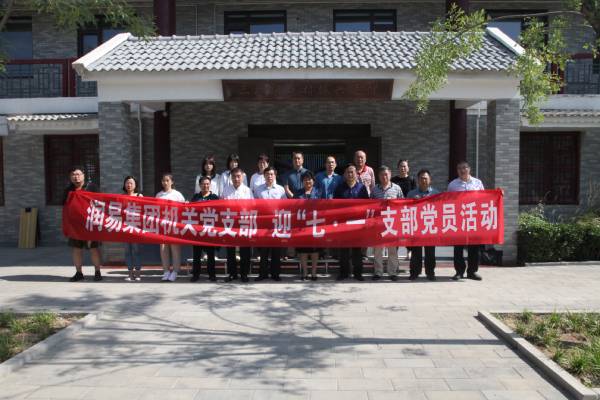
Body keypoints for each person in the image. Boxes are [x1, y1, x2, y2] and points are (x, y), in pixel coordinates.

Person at [63, 166, 103, 282]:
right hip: (75, 226)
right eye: (73, 175)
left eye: (78, 174)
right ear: (70, 177)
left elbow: (100, 204)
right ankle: (79, 272)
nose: (76, 177)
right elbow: (65, 207)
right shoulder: (68, 190)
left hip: (90, 224)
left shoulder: (92, 187)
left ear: (83, 175)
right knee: (76, 249)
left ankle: (97, 272)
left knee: (93, 248)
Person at [448, 161, 484, 281]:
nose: (462, 170)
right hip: (459, 219)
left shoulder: (478, 183)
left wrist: (498, 194)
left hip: (474, 218)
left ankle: (472, 271)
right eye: (459, 168)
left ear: (469, 169)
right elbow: (447, 202)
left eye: (464, 168)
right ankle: (459, 271)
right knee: (458, 247)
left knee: (474, 247)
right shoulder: (452, 185)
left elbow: (485, 198)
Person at [334, 164, 369, 281]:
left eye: (352, 172)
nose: (350, 174)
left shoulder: (362, 188)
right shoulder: (339, 188)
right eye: (348, 172)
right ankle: (344, 273)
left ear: (356, 174)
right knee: (343, 250)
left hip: (357, 224)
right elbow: (334, 206)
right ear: (344, 174)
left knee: (357, 251)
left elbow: (367, 205)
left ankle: (358, 273)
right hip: (343, 224)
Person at [370, 166, 403, 281]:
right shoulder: (374, 190)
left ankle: (392, 272)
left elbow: (402, 204)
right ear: (378, 176)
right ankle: (378, 272)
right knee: (377, 250)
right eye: (382, 175)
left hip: (392, 223)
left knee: (392, 250)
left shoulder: (397, 188)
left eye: (386, 174)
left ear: (390, 175)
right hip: (378, 223)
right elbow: (370, 206)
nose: (384, 177)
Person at [221, 167, 253, 282]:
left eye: (238, 176)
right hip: (230, 223)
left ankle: (244, 274)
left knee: (245, 249)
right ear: (231, 178)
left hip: (243, 223)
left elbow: (252, 206)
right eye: (234, 176)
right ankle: (232, 273)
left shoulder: (247, 191)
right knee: (230, 250)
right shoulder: (226, 190)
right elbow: (222, 206)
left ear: (242, 177)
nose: (236, 179)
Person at [407, 169, 440, 281]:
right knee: (416, 251)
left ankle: (430, 272)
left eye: (426, 178)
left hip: (430, 226)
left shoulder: (436, 193)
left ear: (430, 180)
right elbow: (406, 209)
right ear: (418, 180)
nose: (423, 180)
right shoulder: (411, 194)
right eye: (421, 178)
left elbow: (440, 210)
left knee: (430, 251)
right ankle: (414, 272)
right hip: (416, 225)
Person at [254, 166, 286, 281]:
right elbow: (254, 205)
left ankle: (275, 274)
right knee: (263, 250)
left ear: (275, 175)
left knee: (276, 250)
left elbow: (285, 205)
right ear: (264, 176)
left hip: (276, 223)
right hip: (263, 223)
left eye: (272, 174)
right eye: (267, 174)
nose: (270, 176)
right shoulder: (258, 189)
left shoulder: (281, 189)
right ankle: (263, 274)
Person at [156, 173, 185, 282]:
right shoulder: (159, 195)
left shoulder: (177, 195)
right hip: (163, 225)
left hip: (174, 224)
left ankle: (175, 271)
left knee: (175, 247)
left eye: (167, 180)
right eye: (163, 180)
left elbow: (184, 208)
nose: (165, 182)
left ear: (172, 182)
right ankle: (166, 271)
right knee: (163, 248)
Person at [190, 176, 219, 282]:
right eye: (203, 184)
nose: (205, 186)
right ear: (199, 185)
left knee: (211, 254)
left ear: (210, 185)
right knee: (196, 254)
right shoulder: (195, 197)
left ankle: (212, 274)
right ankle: (196, 274)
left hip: (210, 230)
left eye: (207, 184)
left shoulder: (215, 197)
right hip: (198, 229)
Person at [295, 171, 322, 281]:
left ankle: (314, 272)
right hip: (302, 225)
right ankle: (305, 272)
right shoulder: (298, 193)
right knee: (303, 249)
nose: (307, 181)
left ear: (313, 181)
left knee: (314, 250)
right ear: (302, 181)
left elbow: (323, 206)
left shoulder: (318, 192)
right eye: (305, 179)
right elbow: (294, 207)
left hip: (315, 224)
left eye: (310, 179)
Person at [391, 159, 417, 260]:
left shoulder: (412, 180)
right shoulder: (393, 180)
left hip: (408, 210)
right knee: (396, 231)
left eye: (405, 166)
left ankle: (409, 251)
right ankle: (395, 251)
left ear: (408, 168)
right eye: (401, 166)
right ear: (398, 168)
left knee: (408, 231)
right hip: (396, 210)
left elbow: (414, 194)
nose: (403, 168)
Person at [122, 176, 143, 282]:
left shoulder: (139, 196)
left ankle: (138, 273)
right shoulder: (121, 197)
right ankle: (130, 274)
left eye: (131, 183)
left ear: (135, 185)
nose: (129, 185)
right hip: (125, 228)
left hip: (136, 228)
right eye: (127, 183)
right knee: (127, 251)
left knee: (136, 251)